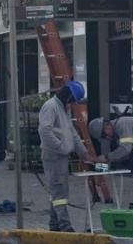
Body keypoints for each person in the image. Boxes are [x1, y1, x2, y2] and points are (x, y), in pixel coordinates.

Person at [38, 81, 94, 233]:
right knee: (60, 193)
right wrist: (60, 146)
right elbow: (44, 130)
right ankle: (65, 226)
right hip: (54, 156)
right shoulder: (51, 107)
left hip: (60, 156)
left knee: (57, 191)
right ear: (68, 95)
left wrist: (83, 153)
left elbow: (72, 133)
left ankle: (54, 224)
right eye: (73, 99)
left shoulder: (63, 108)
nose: (73, 103)